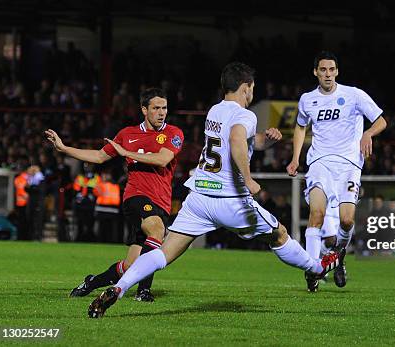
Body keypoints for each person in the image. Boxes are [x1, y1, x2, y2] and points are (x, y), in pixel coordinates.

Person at [87, 62, 341, 318]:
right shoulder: (246, 115)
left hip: (199, 198)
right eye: (252, 88)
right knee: (279, 234)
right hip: (231, 200)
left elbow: (236, 142)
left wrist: (265, 140)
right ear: (246, 88)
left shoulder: (214, 111)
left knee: (163, 253)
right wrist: (249, 179)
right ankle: (316, 268)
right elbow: (236, 140)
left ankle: (118, 289)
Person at [45, 87, 184, 302]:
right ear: (144, 110)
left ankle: (92, 282)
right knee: (157, 229)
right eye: (156, 108)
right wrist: (65, 149)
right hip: (136, 197)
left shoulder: (174, 133)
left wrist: (125, 153)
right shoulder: (127, 134)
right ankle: (143, 291)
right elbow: (100, 156)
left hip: (162, 201)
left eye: (164, 108)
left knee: (130, 266)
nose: (161, 112)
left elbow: (162, 159)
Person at [286, 51, 387, 291]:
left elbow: (381, 121)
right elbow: (300, 128)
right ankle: (312, 271)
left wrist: (368, 133)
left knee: (347, 219)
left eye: (331, 70)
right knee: (316, 215)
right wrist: (295, 158)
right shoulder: (307, 100)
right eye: (323, 70)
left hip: (350, 166)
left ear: (337, 72)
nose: (328, 74)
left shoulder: (354, 95)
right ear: (316, 72)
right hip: (320, 163)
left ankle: (338, 257)